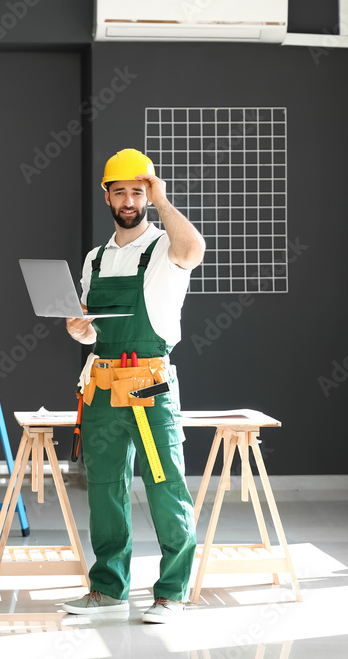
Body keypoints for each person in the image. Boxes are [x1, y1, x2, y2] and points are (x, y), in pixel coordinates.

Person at [62, 148, 206, 624]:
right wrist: (82, 330)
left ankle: (171, 593)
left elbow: (194, 251)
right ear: (107, 196)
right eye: (120, 192)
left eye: (137, 192)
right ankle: (108, 588)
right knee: (104, 488)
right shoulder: (95, 258)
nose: (129, 200)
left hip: (149, 386)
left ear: (147, 193)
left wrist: (163, 199)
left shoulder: (166, 247)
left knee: (166, 488)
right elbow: (93, 323)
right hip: (102, 386)